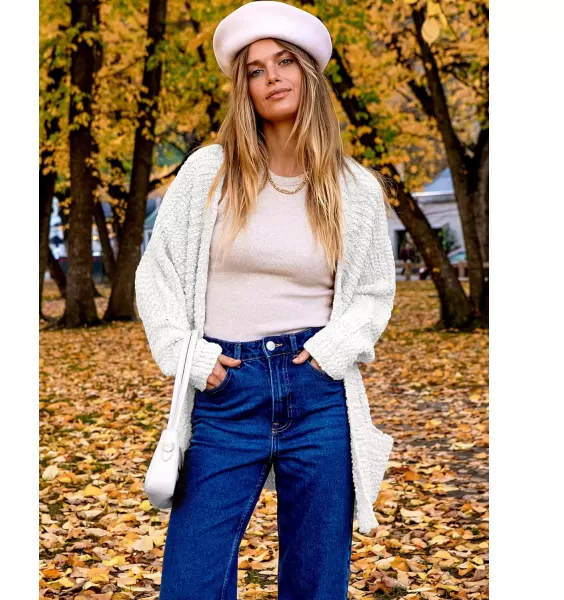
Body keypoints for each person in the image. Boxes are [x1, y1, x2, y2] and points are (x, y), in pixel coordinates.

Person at [135, 2, 396, 598]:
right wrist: (188, 357)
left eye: (284, 62)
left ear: (308, 73)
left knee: (316, 582)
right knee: (191, 581)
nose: (272, 77)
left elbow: (373, 292)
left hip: (317, 392)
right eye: (255, 70)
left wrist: (333, 351)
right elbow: (158, 274)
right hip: (227, 388)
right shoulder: (209, 173)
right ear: (245, 89)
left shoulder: (354, 188)